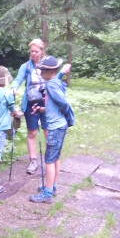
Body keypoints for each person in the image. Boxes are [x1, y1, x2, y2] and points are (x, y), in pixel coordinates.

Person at [12, 39, 70, 175]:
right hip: (31, 103)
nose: (33, 53)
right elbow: (18, 79)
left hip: (46, 103)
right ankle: (33, 161)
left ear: (42, 51)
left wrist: (62, 73)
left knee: (48, 131)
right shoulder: (26, 66)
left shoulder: (47, 65)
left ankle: (51, 160)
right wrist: (13, 88)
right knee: (32, 132)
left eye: (36, 51)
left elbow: (54, 79)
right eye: (31, 51)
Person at [29, 56, 75, 203]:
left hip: (55, 128)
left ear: (50, 71)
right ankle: (52, 186)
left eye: (43, 70)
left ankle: (47, 193)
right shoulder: (56, 81)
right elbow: (54, 105)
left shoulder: (51, 85)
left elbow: (63, 103)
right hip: (60, 126)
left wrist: (67, 114)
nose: (40, 72)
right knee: (55, 158)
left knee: (49, 160)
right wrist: (42, 109)